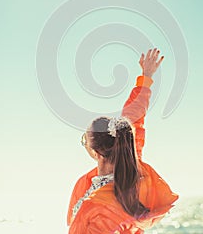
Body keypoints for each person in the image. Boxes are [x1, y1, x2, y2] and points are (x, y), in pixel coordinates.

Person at [67, 48, 178, 233]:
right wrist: (146, 77)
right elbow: (135, 114)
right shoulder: (134, 168)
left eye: (84, 140)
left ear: (96, 152)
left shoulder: (96, 206)